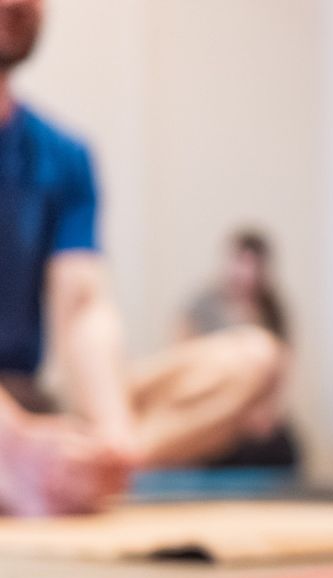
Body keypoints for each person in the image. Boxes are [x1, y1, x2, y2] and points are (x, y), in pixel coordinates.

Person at [0, 0, 285, 515]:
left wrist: (115, 435)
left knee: (254, 360)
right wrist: (13, 436)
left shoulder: (63, 155)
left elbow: (82, 306)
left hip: (29, 396)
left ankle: (86, 470)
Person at [181, 230, 298, 468]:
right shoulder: (201, 307)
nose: (245, 271)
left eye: (252, 263)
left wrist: (264, 413)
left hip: (255, 418)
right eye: (239, 261)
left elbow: (282, 370)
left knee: (281, 446)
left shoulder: (273, 311)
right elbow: (182, 364)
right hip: (211, 412)